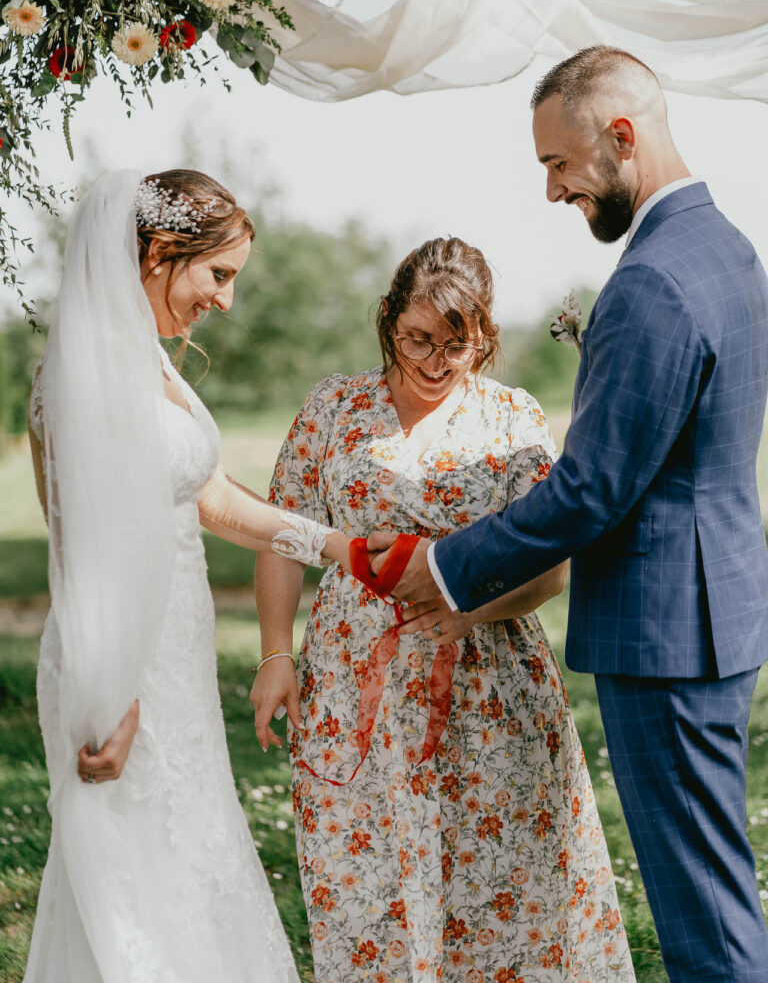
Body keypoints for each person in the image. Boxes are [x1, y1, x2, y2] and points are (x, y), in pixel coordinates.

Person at [374, 48, 768, 983]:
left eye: (559, 164)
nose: (551, 189)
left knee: (702, 911)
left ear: (621, 137)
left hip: (665, 632)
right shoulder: (727, 248)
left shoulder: (652, 281)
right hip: (716, 610)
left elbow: (593, 488)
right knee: (715, 881)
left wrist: (448, 565)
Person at [250, 237, 636, 983]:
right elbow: (282, 533)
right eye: (416, 339)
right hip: (349, 683)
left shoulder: (513, 419)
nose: (432, 361)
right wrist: (274, 654)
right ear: (388, 321)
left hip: (486, 687)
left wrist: (467, 610)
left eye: (454, 345)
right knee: (365, 885)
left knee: (496, 889)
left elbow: (552, 563)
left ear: (483, 336)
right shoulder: (335, 406)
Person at [24, 169, 356, 983]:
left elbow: (206, 496)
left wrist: (342, 548)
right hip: (123, 663)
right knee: (136, 885)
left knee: (189, 861)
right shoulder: (87, 370)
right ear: (161, 252)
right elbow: (88, 547)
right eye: (219, 275)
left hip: (173, 661)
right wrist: (117, 693)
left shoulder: (150, 365)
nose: (226, 301)